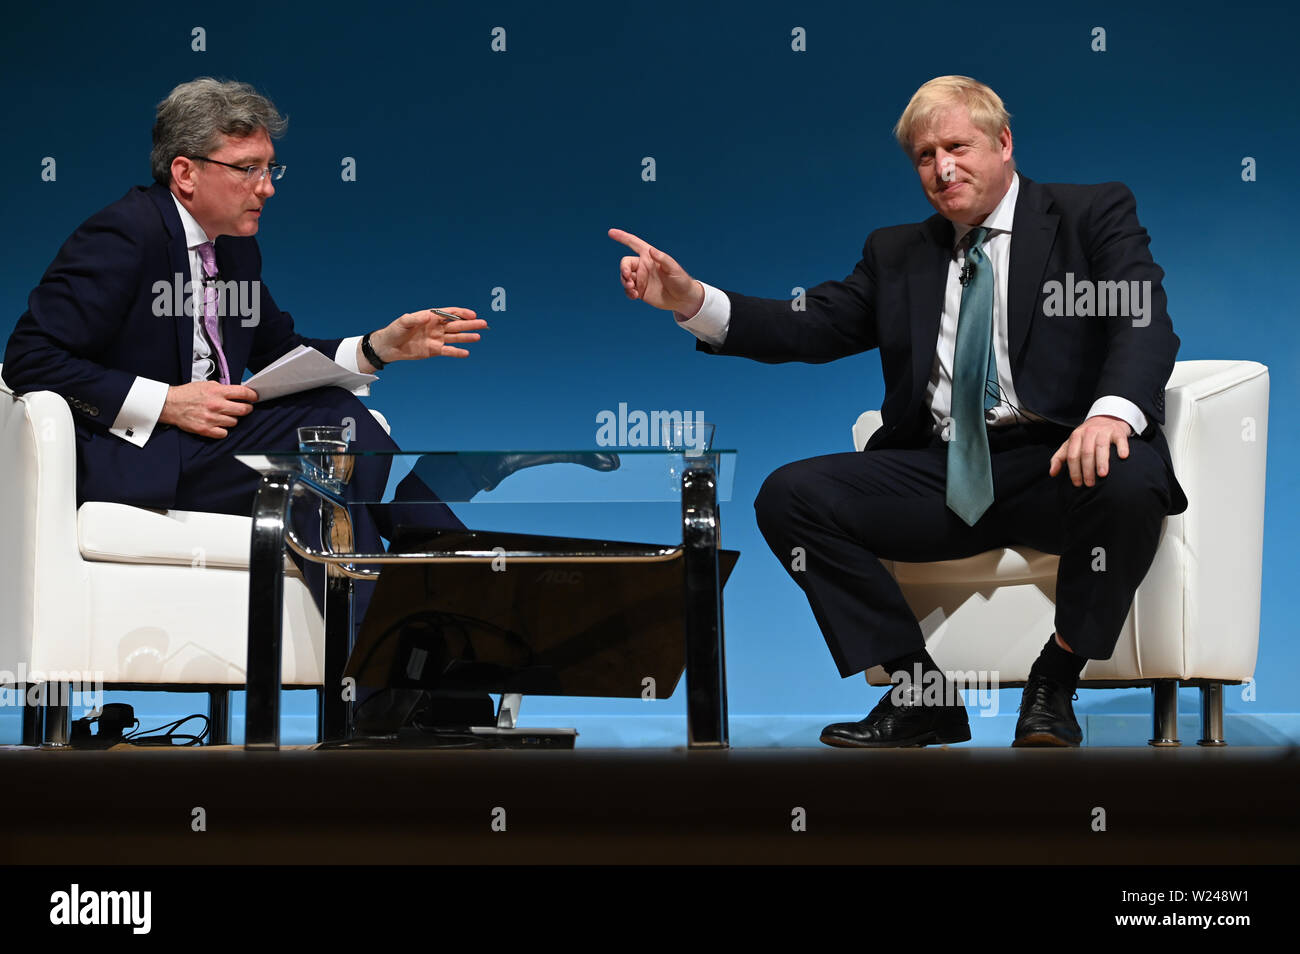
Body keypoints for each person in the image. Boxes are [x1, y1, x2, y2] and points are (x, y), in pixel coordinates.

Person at [610, 75, 1186, 748]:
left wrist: (1111, 416)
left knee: (1130, 476)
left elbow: (1141, 319)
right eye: (924, 155)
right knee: (791, 496)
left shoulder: (1089, 215)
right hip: (942, 475)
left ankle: (1055, 679)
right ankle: (922, 695)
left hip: (1057, 464)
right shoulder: (897, 254)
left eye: (958, 147)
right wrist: (690, 300)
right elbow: (808, 326)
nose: (942, 168)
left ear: (1003, 143)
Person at [2, 77, 485, 618]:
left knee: (331, 444)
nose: (267, 188)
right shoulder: (123, 234)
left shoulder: (234, 251)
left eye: (270, 168)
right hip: (141, 453)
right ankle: (442, 574)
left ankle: (418, 632)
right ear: (185, 173)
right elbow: (29, 357)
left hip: (213, 448)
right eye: (247, 168)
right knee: (332, 431)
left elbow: (282, 353)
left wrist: (379, 348)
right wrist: (167, 401)